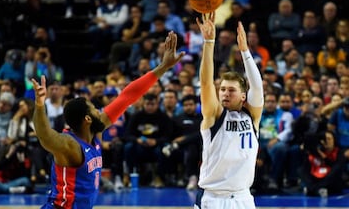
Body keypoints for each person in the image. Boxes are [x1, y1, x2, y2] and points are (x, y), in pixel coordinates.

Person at [31, 31, 184, 209]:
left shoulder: (97, 129)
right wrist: (40, 105)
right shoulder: (70, 145)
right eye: (95, 109)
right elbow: (44, 135)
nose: (100, 110)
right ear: (87, 118)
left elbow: (128, 96)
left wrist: (163, 67)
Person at [195, 13, 263, 209]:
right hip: (212, 198)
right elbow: (206, 83)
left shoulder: (252, 116)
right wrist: (209, 42)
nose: (224, 93)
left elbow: (257, 88)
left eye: (231, 90)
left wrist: (245, 52)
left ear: (243, 96)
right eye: (222, 89)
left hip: (243, 198)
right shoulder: (215, 115)